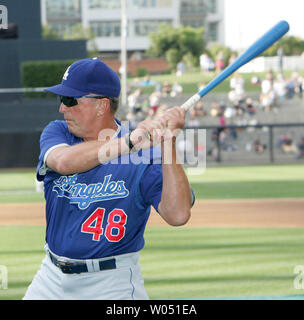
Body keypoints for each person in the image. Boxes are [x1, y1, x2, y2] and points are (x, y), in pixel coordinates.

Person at [23, 57, 195, 300]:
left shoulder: (144, 156)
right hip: (51, 278)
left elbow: (177, 215)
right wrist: (128, 143)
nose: (62, 108)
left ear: (101, 105)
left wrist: (168, 144)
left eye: (70, 100)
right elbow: (63, 162)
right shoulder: (58, 131)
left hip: (111, 284)